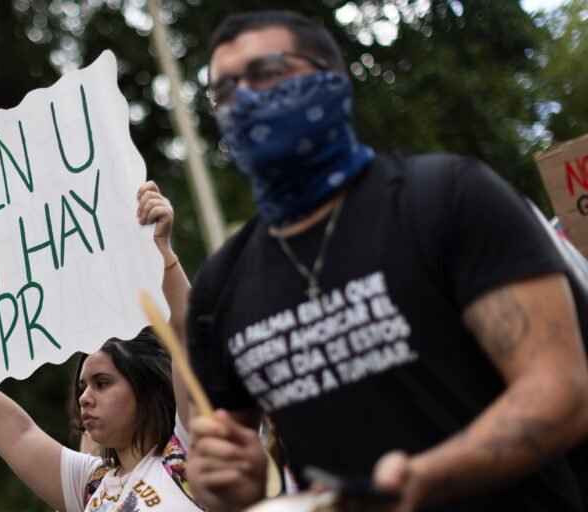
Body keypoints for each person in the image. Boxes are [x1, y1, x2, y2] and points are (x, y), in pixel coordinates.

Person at [184, 10, 588, 512]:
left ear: (332, 82)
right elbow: (226, 477)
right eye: (224, 91)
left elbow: (562, 390)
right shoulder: (218, 290)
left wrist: (426, 477)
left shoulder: (450, 198)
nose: (243, 99)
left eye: (267, 73)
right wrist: (227, 485)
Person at [0, 181, 205, 512]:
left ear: (148, 386)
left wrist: (163, 253)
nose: (84, 397)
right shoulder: (90, 485)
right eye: (82, 386)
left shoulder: (189, 453)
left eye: (102, 383)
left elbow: (188, 337)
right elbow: (18, 434)